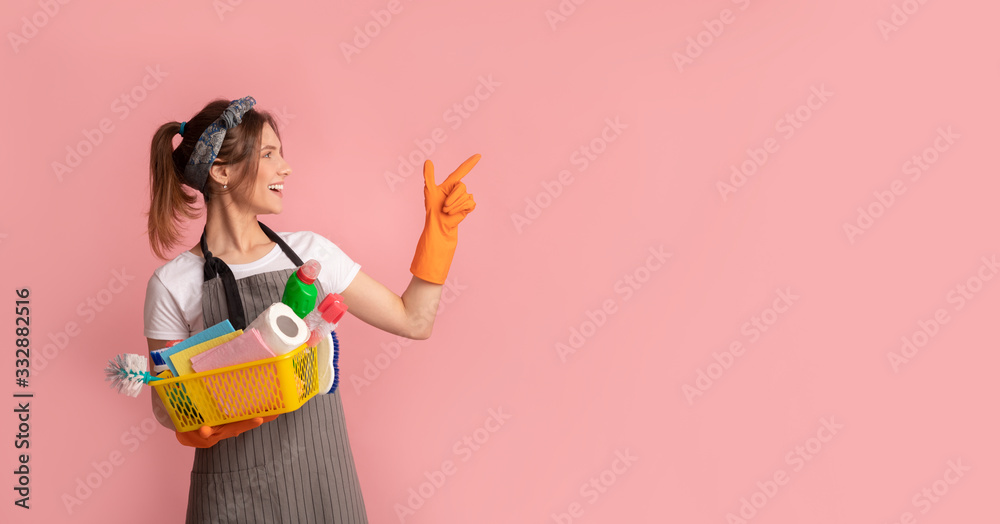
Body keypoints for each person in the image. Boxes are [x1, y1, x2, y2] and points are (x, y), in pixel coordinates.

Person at [142, 96, 479, 523]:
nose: (285, 168)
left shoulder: (311, 254)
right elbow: (164, 404)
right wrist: (196, 427)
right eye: (268, 154)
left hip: (324, 482)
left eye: (280, 153)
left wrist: (440, 239)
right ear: (221, 171)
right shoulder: (173, 282)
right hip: (231, 495)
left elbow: (413, 321)